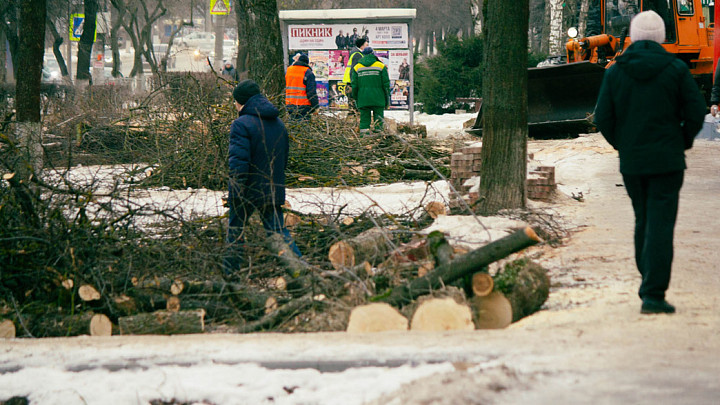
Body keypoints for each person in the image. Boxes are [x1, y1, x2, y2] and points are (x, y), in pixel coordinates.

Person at [594, 11, 705, 314]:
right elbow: (696, 112)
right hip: (667, 162)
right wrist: (681, 141)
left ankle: (648, 282)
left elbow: (603, 117)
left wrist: (624, 145)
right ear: (659, 36)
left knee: (643, 219)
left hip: (633, 163)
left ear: (632, 35)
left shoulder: (615, 72)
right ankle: (653, 294)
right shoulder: (676, 70)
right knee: (660, 223)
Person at [224, 79, 301, 275]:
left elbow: (238, 164)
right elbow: (284, 160)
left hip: (247, 190)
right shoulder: (278, 123)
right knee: (278, 233)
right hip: (273, 188)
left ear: (241, 102)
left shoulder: (240, 125)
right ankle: (300, 270)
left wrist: (235, 192)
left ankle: (230, 276)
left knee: (235, 233)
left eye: (235, 102)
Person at [350, 46, 390, 134]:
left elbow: (355, 86)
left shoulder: (357, 67)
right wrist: (387, 99)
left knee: (364, 121)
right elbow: (386, 85)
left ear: (363, 55)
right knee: (379, 121)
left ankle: (364, 140)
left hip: (363, 99)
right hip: (378, 98)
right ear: (373, 54)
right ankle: (379, 139)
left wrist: (356, 98)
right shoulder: (381, 66)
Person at [285, 53, 319, 120]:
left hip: (289, 104)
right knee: (304, 125)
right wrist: (316, 106)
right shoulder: (307, 72)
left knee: (292, 125)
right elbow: (311, 92)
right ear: (307, 63)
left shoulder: (288, 70)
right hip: (304, 106)